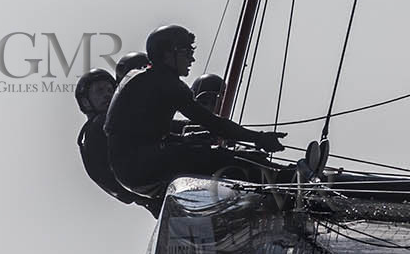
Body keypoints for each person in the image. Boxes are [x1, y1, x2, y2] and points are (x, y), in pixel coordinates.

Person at [105, 24, 286, 198]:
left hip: (130, 170)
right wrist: (260, 138)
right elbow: (216, 125)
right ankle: (287, 179)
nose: (192, 59)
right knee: (222, 158)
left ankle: (277, 179)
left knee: (207, 151)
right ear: (169, 53)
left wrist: (182, 139)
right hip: (142, 168)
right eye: (187, 52)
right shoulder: (167, 84)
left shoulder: (141, 76)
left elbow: (137, 130)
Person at [76, 68, 161, 217]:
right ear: (85, 102)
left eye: (110, 89)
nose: (107, 94)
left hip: (150, 197)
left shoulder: (88, 136)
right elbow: (154, 130)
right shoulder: (101, 126)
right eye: (100, 91)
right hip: (156, 184)